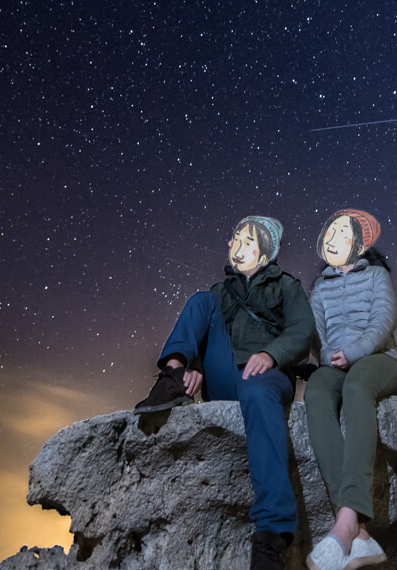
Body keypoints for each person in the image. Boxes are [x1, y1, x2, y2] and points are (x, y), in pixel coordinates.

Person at [134, 215, 315, 570]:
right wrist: (195, 365)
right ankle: (170, 374)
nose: (238, 246)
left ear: (265, 255)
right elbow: (208, 333)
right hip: (224, 377)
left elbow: (302, 331)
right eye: (236, 238)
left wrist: (272, 354)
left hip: (267, 374)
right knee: (200, 300)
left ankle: (271, 536)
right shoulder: (220, 293)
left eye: (250, 241)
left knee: (256, 387)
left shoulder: (285, 285)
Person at [303, 209, 397, 570]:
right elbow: (314, 335)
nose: (331, 237)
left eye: (340, 232)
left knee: (358, 387)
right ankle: (359, 535)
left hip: (378, 360)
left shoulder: (376, 275)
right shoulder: (320, 288)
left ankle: (344, 524)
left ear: (358, 243)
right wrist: (326, 357)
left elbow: (383, 319)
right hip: (335, 365)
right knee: (316, 391)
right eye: (329, 231)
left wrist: (355, 352)